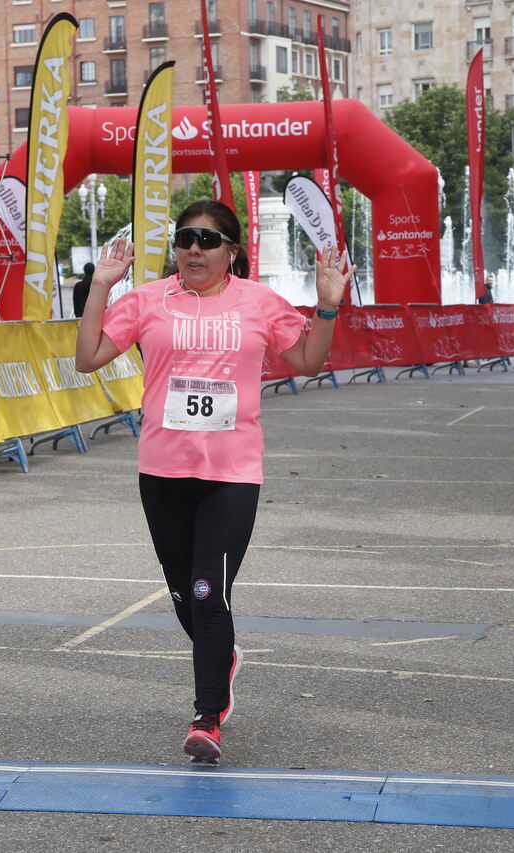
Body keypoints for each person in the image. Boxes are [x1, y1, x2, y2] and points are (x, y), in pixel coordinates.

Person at [75, 200, 355, 765]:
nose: (194, 250)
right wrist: (102, 286)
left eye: (207, 240)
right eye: (185, 239)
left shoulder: (259, 303)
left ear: (233, 251)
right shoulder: (148, 300)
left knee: (208, 594)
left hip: (231, 474)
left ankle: (207, 718)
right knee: (184, 596)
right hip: (163, 471)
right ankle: (221, 657)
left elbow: (306, 362)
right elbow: (87, 358)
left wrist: (327, 309)